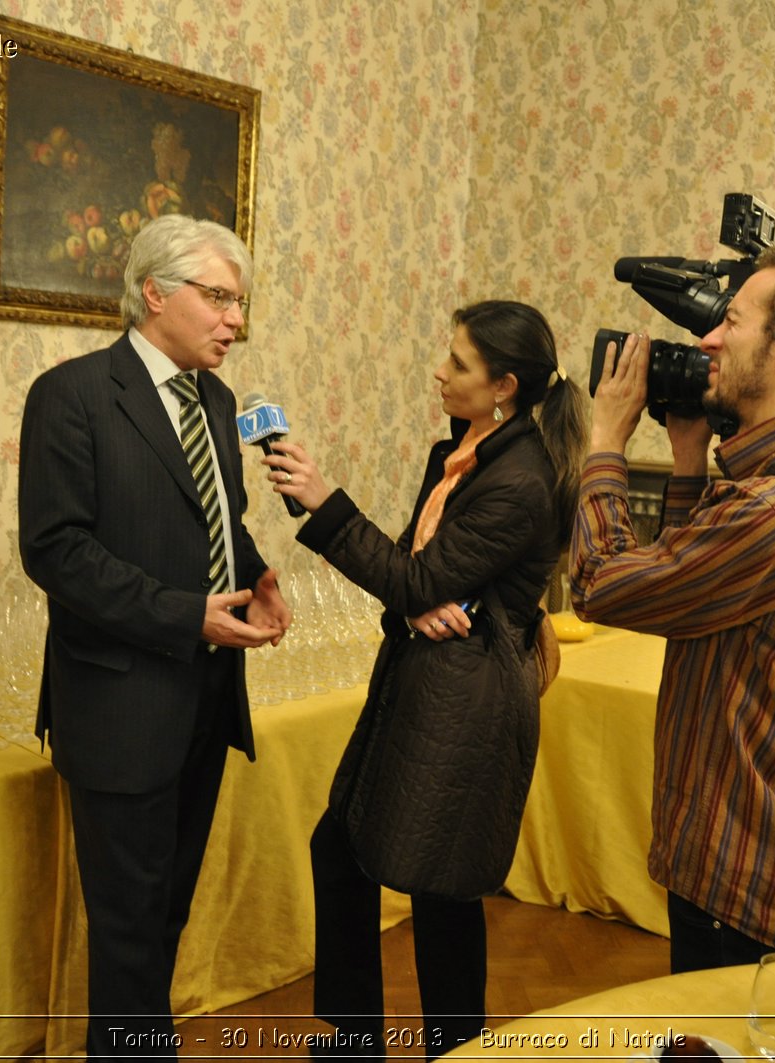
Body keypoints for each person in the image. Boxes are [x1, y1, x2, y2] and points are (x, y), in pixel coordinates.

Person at [262, 301, 588, 1059]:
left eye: (459, 364)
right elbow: (418, 580)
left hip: (467, 698)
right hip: (426, 681)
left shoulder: (520, 479)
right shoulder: (470, 447)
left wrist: (325, 501)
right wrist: (412, 607)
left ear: (504, 385)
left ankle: (442, 1046)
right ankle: (361, 1041)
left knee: (440, 886)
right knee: (356, 853)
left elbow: (415, 576)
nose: (439, 372)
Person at [568, 240, 775, 972]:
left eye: (732, 321)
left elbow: (600, 582)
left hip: (739, 863)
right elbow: (697, 594)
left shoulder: (771, 512)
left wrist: (605, 439)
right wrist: (688, 463)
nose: (708, 338)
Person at [17, 213, 292, 1059]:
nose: (234, 321)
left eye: (239, 303)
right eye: (217, 299)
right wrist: (184, 612)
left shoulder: (214, 399)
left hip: (206, 696)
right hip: (120, 706)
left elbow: (216, 517)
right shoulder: (71, 395)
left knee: (166, 909)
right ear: (153, 293)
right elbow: (56, 551)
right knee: (128, 927)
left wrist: (258, 575)